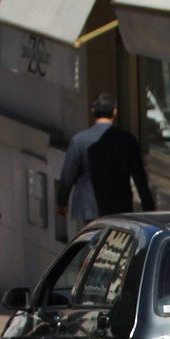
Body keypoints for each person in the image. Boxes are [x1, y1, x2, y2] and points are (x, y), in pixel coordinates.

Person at [58, 93, 154, 235]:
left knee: (92, 243)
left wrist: (62, 203)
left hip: (89, 209)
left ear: (93, 111)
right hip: (120, 207)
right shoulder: (127, 140)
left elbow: (68, 175)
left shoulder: (79, 140)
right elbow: (140, 178)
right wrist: (149, 208)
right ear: (115, 112)